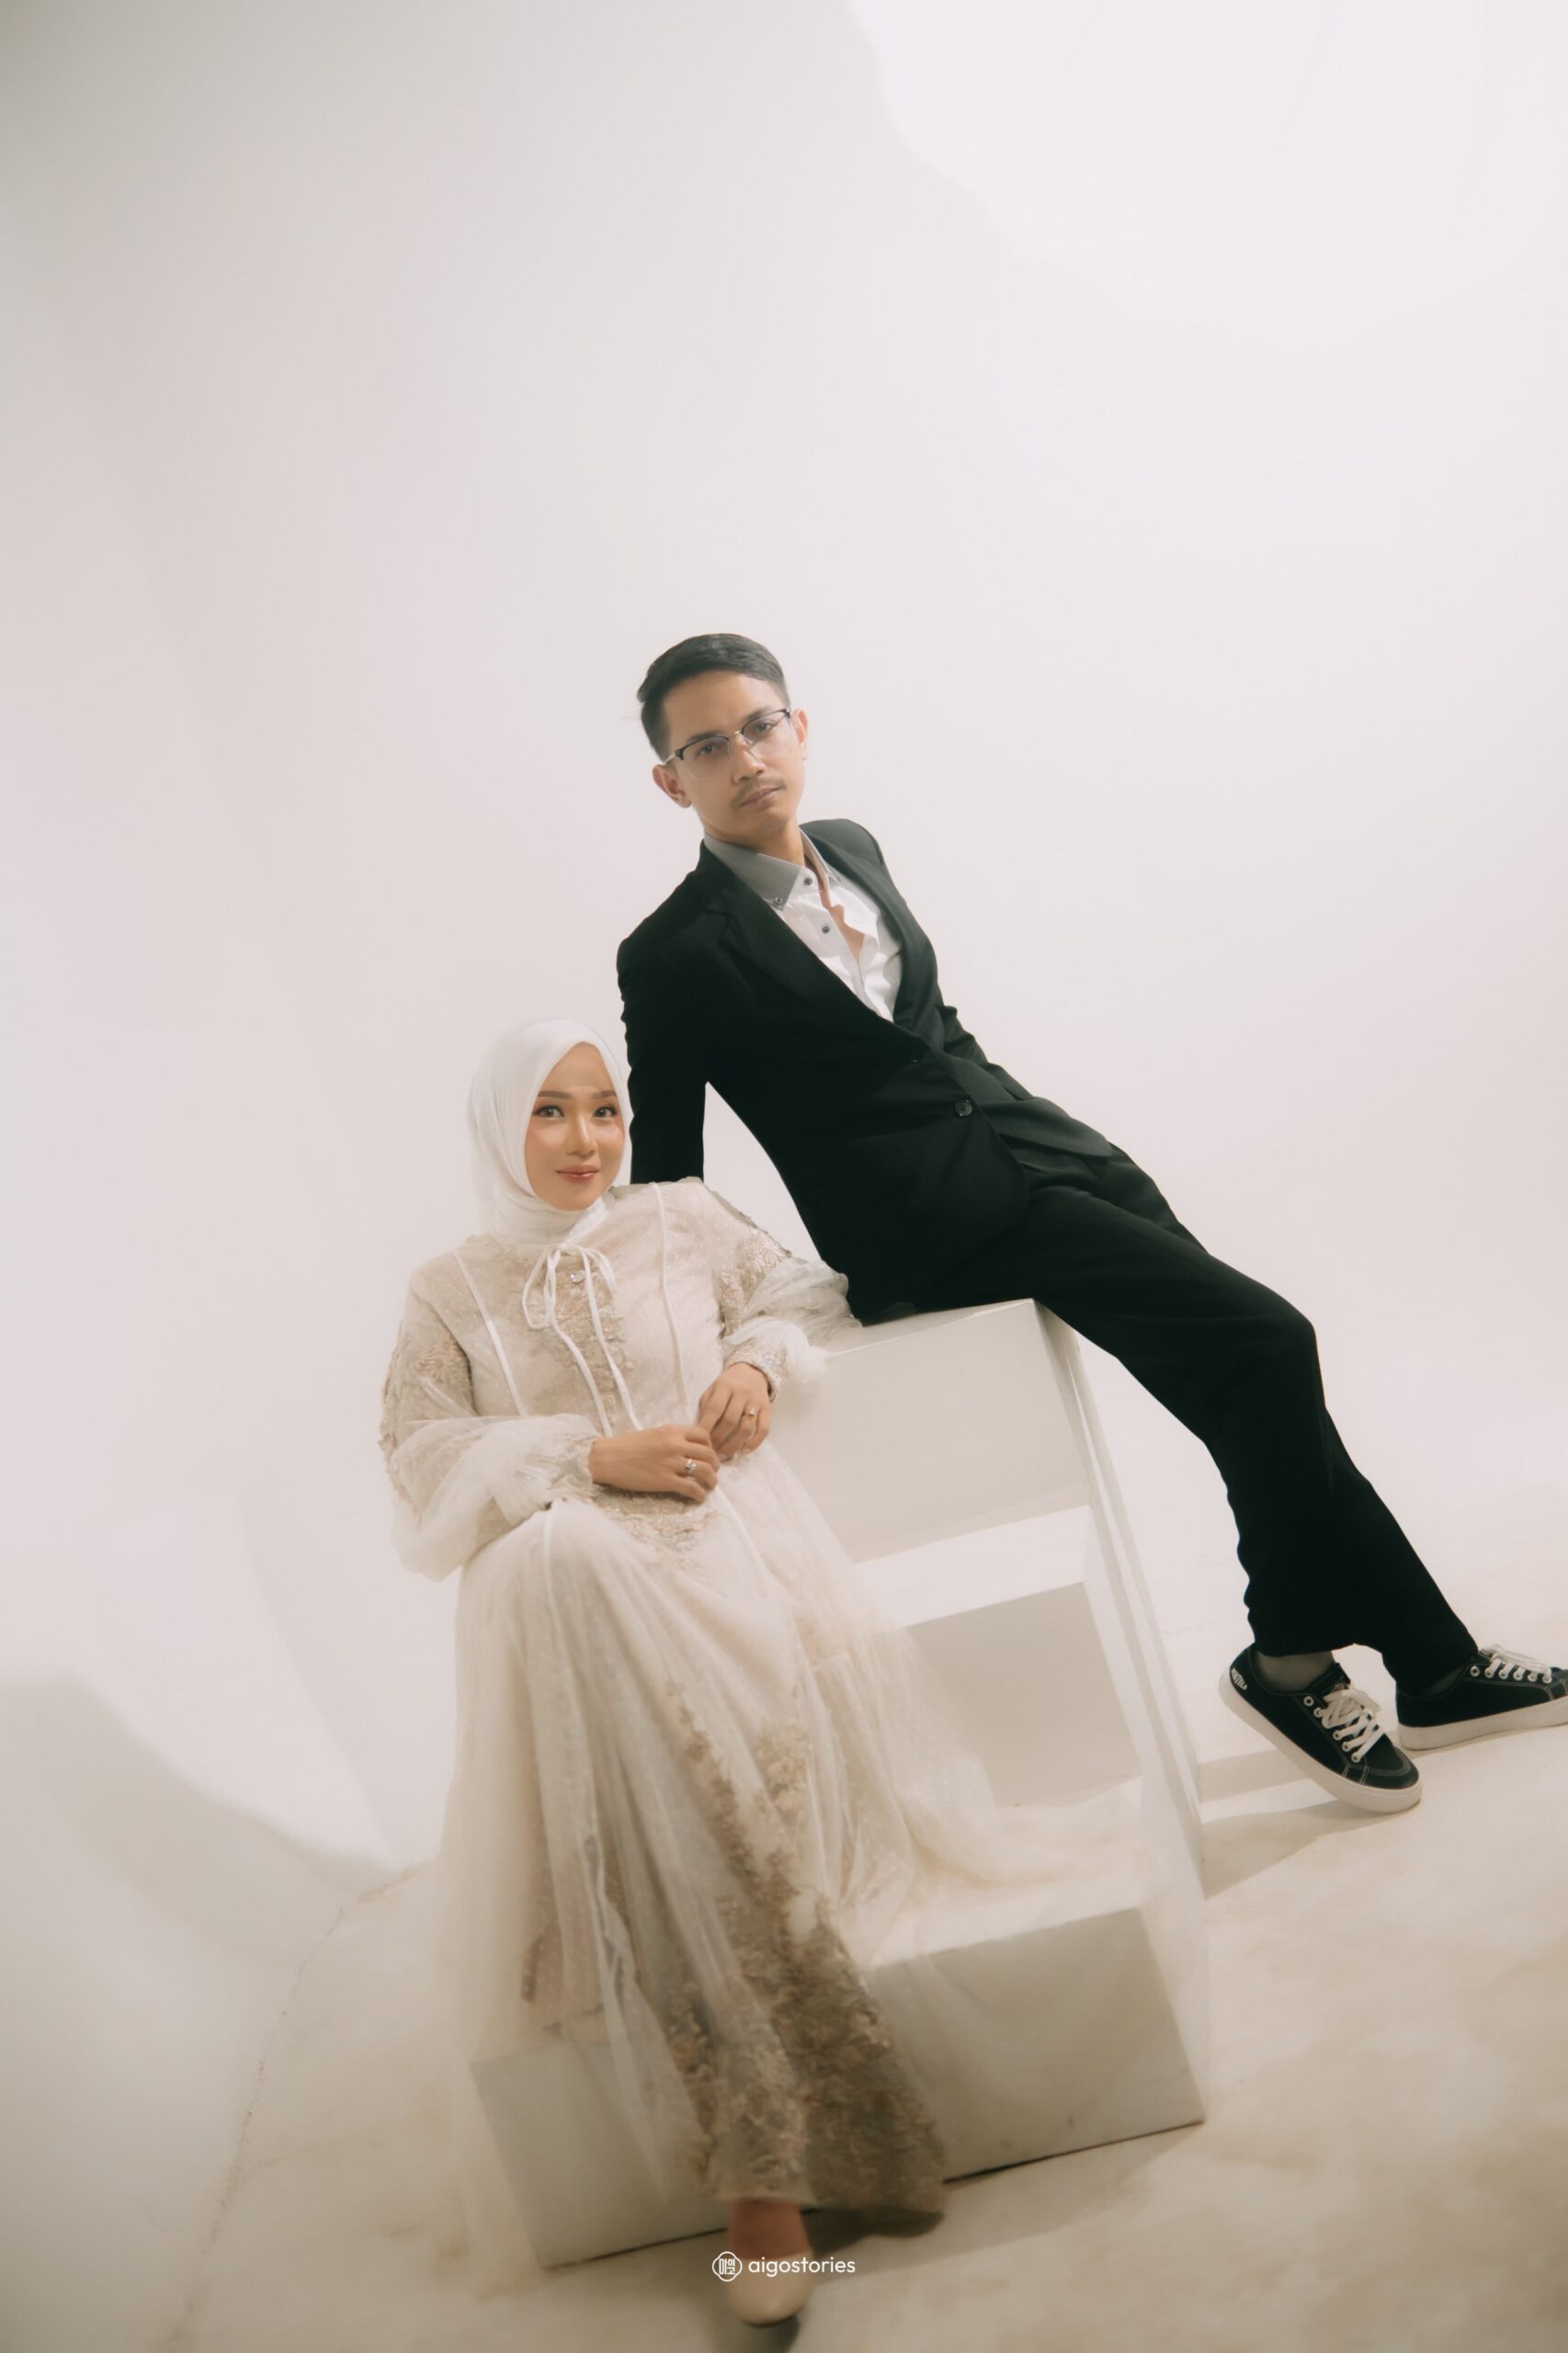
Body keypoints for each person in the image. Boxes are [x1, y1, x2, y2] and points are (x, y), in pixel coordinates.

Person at [617, 632, 1567, 1815]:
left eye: (760, 725)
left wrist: (1038, 1126)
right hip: (933, 1227)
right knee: (1269, 1341)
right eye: (708, 746)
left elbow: (928, 1026)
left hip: (1043, 1154)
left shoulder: (852, 847)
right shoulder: (671, 954)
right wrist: (715, 1339)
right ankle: (1284, 1661)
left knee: (1250, 1385)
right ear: (672, 780)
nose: (745, 757)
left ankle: (1432, 1663)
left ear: (797, 728)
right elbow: (669, 1177)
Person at [379, 1017, 1068, 2325]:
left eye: (603, 1108)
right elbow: (418, 1458)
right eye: (548, 1111)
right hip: (581, 1604)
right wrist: (585, 1458)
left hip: (728, 1572)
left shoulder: (679, 1219)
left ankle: (761, 2155)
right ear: (496, 1128)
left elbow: (798, 1289)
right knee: (563, 1562)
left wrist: (752, 1362)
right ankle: (765, 2168)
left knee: (576, 1585)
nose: (584, 1139)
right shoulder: (447, 1289)